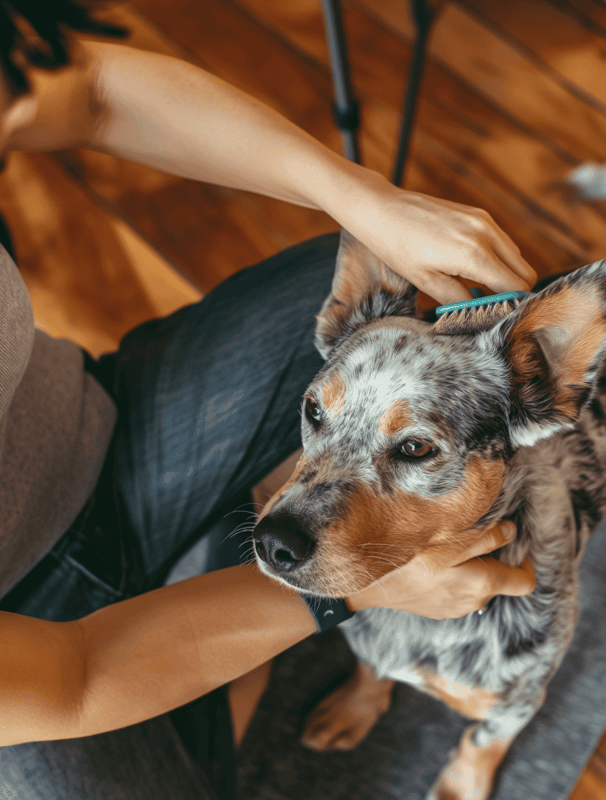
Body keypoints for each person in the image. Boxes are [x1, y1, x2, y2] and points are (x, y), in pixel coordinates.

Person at [0, 1, 538, 798]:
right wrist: (356, 590)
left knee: (380, 303)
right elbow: (75, 678)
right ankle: (214, 659)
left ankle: (207, 592)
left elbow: (94, 90)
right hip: (41, 647)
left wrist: (358, 196)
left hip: (91, 431)